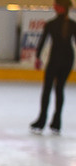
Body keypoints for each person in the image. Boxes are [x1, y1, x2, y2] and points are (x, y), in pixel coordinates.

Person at [30, 0, 76, 133]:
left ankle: (41, 121)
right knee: (59, 89)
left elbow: (43, 41)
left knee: (47, 90)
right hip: (68, 59)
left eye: (56, 5)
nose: (54, 6)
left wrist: (38, 57)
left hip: (55, 58)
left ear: (60, 8)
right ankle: (56, 122)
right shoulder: (73, 25)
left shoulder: (51, 24)